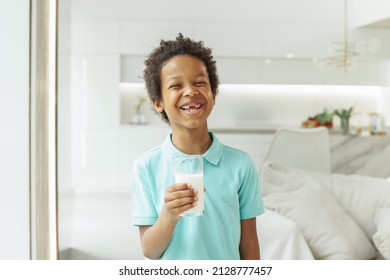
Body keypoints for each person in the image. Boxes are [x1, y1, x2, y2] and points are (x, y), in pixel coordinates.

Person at [131, 33, 264, 260]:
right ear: (158, 102)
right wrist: (169, 215)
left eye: (200, 82)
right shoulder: (146, 166)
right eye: (176, 85)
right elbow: (150, 251)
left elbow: (249, 243)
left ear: (213, 93)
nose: (191, 91)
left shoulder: (241, 164)